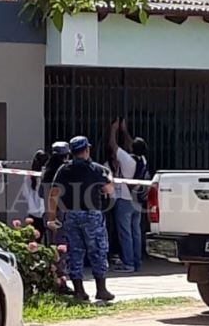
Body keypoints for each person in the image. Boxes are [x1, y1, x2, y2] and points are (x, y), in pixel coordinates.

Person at [47, 136, 115, 301]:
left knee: (75, 252)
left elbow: (53, 194)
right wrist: (110, 177)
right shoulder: (96, 169)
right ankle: (101, 289)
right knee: (98, 250)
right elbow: (109, 190)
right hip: (92, 215)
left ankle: (79, 291)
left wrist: (51, 217)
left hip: (71, 215)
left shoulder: (64, 170)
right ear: (86, 150)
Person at [109, 118, 149, 273]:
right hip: (137, 201)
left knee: (125, 233)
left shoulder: (127, 160)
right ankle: (137, 262)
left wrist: (113, 130)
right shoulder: (142, 160)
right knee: (136, 233)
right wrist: (124, 130)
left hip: (125, 200)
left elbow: (114, 146)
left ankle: (128, 264)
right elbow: (131, 144)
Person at [40, 141, 74, 295]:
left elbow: (41, 193)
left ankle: (51, 279)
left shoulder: (45, 171)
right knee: (61, 248)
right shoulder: (64, 171)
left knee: (50, 247)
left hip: (46, 213)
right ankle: (60, 282)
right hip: (60, 214)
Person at [22, 150, 48, 242]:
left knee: (33, 243)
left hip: (32, 214)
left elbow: (25, 193)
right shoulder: (46, 176)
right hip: (44, 214)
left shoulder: (28, 176)